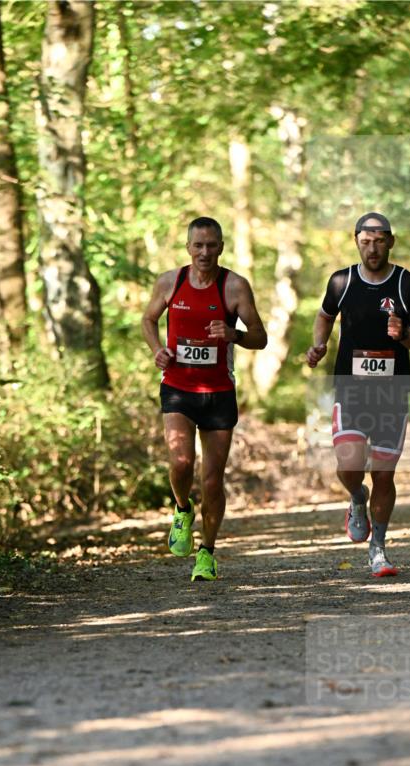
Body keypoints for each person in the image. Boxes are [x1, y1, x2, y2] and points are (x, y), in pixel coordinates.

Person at [142, 217, 267, 581]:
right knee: (180, 463)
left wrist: (233, 334)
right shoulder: (171, 282)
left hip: (219, 393)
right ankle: (183, 509)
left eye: (211, 245)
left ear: (221, 247)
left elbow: (260, 337)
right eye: (198, 245)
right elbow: (148, 320)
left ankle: (207, 552)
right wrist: (157, 350)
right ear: (188, 248)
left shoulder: (235, 287)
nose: (205, 252)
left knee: (212, 480)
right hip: (178, 388)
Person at [307, 212, 410, 577]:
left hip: (393, 392)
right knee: (348, 466)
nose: (372, 248)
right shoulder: (342, 281)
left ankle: (378, 548)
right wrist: (319, 344)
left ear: (390, 242)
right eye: (365, 241)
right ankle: (356, 498)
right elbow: (324, 316)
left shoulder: (408, 283)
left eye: (379, 241)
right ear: (356, 241)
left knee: (384, 475)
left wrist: (404, 334)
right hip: (350, 388)